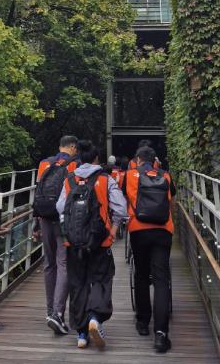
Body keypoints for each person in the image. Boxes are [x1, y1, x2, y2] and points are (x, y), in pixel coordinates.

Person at [56, 139, 128, 350]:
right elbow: (121, 208)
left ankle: (81, 333)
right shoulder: (105, 179)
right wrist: (114, 229)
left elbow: (60, 207)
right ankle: (95, 317)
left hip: (73, 242)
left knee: (77, 284)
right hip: (100, 241)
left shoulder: (69, 179)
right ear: (97, 159)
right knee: (100, 279)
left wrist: (68, 231)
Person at [124, 144, 176, 354]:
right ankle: (161, 334)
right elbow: (171, 199)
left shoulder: (129, 175)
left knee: (142, 276)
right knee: (161, 280)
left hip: (138, 230)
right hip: (163, 231)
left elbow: (122, 198)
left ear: (137, 160)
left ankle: (143, 322)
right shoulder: (166, 176)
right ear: (155, 161)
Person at [32, 135, 79, 335]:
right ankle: (58, 313)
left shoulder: (44, 163)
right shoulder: (75, 164)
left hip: (44, 217)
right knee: (63, 264)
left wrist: (36, 223)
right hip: (62, 220)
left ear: (60, 147)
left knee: (49, 264)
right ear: (73, 147)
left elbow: (38, 191)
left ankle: (49, 310)